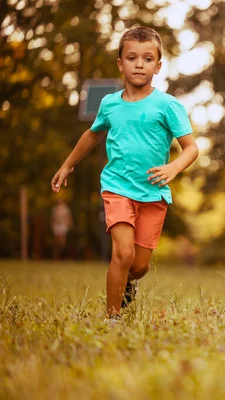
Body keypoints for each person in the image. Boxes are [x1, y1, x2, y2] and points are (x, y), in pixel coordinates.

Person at [51, 26, 199, 321]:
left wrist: (173, 167)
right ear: (121, 63)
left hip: (153, 192)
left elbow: (191, 148)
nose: (139, 64)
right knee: (122, 253)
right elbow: (93, 135)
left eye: (147, 59)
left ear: (157, 66)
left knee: (139, 265)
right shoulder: (110, 104)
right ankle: (112, 318)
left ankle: (127, 284)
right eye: (132, 58)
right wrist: (68, 164)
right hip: (117, 187)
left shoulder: (168, 106)